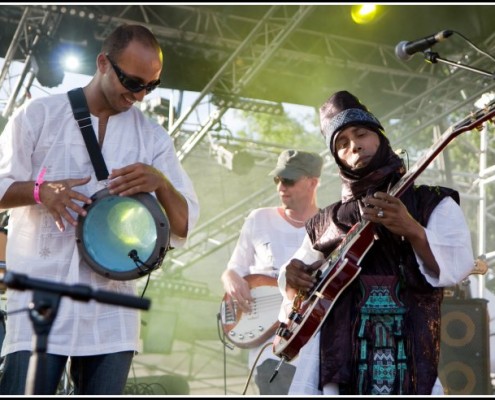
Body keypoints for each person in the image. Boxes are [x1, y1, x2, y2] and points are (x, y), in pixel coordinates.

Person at [0, 24, 199, 395]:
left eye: (150, 86)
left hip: (113, 311)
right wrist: (40, 191)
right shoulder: (38, 115)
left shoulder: (153, 139)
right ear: (103, 63)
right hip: (40, 303)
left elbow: (184, 226)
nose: (139, 95)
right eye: (133, 81)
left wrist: (161, 182)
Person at [277, 90, 474, 395]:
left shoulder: (431, 202)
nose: (354, 145)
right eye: (341, 144)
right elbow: (298, 289)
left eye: (361, 134)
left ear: (380, 138)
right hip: (337, 353)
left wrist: (412, 229)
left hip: (407, 344)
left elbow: (457, 268)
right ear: (337, 158)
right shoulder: (325, 220)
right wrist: (291, 278)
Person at [221, 149, 323, 395]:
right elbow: (233, 270)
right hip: (268, 348)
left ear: (313, 182)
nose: (281, 187)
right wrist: (231, 280)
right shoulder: (258, 219)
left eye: (288, 180)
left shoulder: (328, 225)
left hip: (311, 348)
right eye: (277, 179)